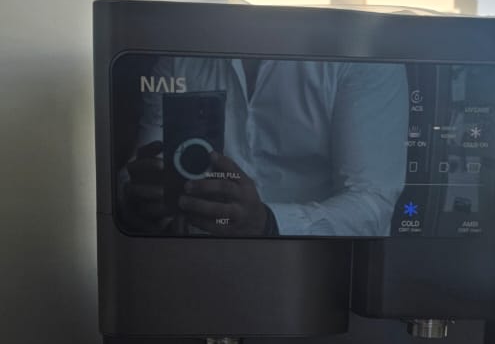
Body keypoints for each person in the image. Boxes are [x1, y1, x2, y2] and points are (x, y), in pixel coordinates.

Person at [121, 54, 408, 237]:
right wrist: (139, 197)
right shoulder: (179, 58)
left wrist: (269, 223)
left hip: (315, 273)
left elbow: (374, 204)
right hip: (188, 264)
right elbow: (137, 174)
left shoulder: (362, 59)